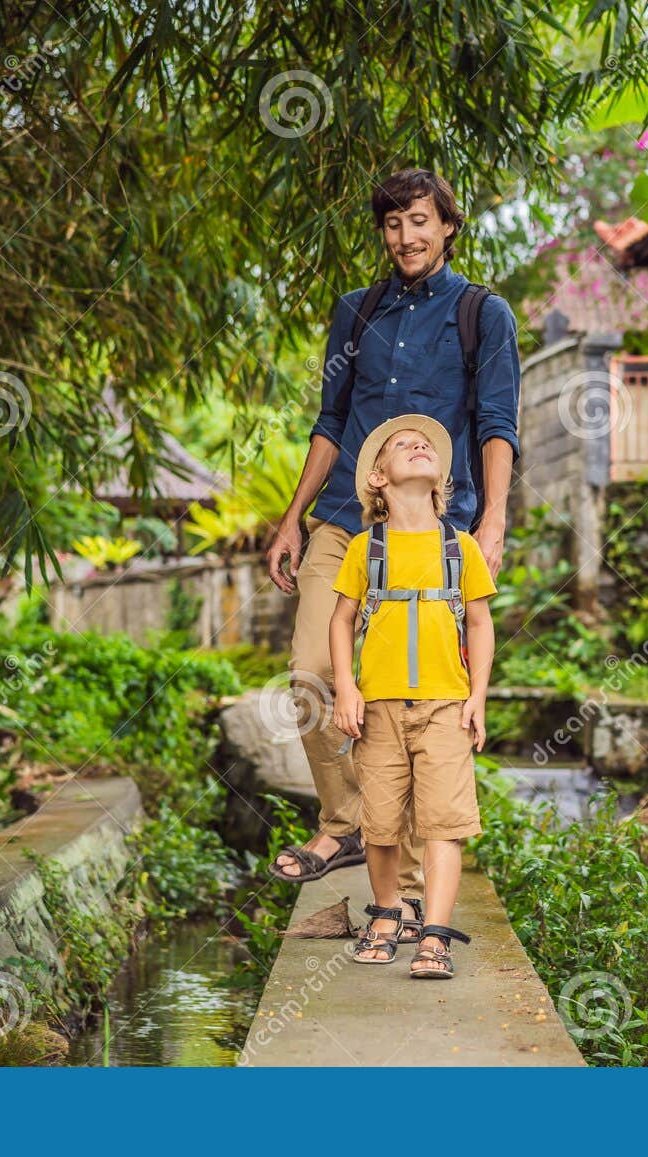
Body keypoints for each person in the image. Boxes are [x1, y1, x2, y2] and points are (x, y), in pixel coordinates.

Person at [263, 167, 520, 936]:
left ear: (446, 224)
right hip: (346, 519)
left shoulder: (483, 314)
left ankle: (396, 883)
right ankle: (345, 823)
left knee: (410, 698)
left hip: (434, 534)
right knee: (312, 673)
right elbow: (331, 419)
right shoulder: (357, 311)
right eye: (392, 224)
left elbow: (497, 422)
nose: (405, 236)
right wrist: (292, 515)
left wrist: (494, 521)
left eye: (418, 221)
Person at [329, 416, 494, 978]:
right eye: (403, 445)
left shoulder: (461, 546)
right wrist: (346, 686)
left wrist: (479, 697)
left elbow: (479, 622)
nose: (419, 444)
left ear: (440, 476)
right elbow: (341, 619)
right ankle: (385, 915)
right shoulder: (363, 547)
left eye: (426, 445)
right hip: (377, 707)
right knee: (379, 822)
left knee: (444, 822)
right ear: (379, 478)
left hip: (446, 705)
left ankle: (435, 936)